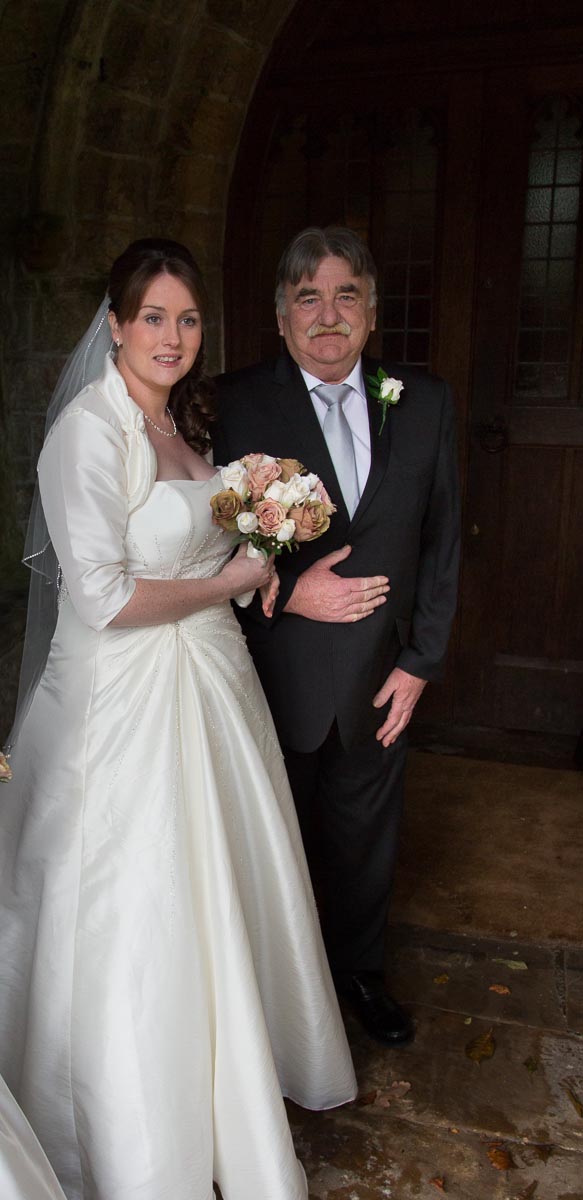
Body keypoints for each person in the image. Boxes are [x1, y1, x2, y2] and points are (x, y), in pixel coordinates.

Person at [0, 238, 357, 1200]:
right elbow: (105, 598)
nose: (172, 336)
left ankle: (227, 1090)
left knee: (220, 888)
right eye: (152, 317)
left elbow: (196, 552)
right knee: (140, 906)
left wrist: (258, 565)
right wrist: (232, 578)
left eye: (188, 319)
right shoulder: (88, 432)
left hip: (211, 687)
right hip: (124, 705)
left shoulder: (181, 423)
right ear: (114, 325)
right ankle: (132, 1131)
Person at [213, 226, 460, 1048]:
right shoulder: (233, 402)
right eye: (307, 298)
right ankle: (273, 995)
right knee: (269, 840)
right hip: (270, 672)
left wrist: (420, 662)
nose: (328, 315)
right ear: (280, 315)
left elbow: (441, 540)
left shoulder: (423, 402)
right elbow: (203, 549)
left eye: (345, 296)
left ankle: (359, 974)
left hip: (380, 676)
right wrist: (286, 595)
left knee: (364, 841)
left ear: (371, 311)